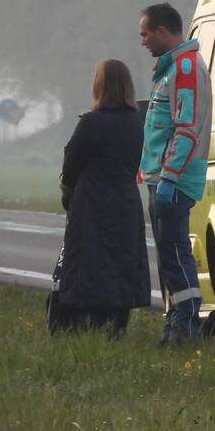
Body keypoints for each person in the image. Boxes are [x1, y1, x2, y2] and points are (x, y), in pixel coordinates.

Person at [53, 59, 150, 337]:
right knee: (122, 260)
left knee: (89, 261)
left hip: (92, 202)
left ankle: (86, 321)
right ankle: (117, 323)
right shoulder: (136, 122)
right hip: (126, 201)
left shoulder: (91, 123)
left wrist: (66, 186)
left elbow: (71, 163)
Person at [138, 2, 212, 346]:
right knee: (169, 253)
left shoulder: (184, 68)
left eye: (145, 33)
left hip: (175, 179)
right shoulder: (170, 68)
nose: (142, 41)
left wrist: (168, 176)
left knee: (175, 251)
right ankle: (176, 321)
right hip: (163, 177)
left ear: (163, 31)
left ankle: (185, 322)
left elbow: (185, 128)